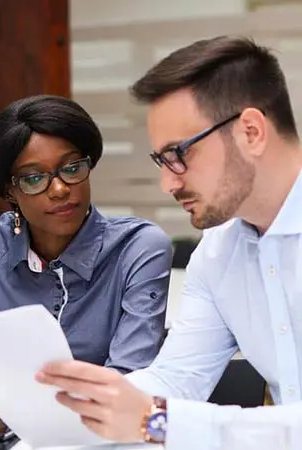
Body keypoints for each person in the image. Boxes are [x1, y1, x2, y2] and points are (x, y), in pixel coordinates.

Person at [36, 36, 302, 448]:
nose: (168, 183)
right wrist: (87, 404)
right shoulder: (217, 253)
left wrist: (155, 421)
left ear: (251, 131)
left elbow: (159, 415)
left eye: (179, 154)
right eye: (162, 161)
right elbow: (176, 378)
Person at [0, 95, 173, 373]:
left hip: (111, 415)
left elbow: (130, 375)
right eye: (33, 178)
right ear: (10, 192)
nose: (60, 189)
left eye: (72, 168)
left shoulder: (137, 248)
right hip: (11, 415)